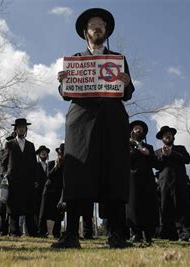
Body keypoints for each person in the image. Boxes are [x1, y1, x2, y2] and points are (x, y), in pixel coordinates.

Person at [52, 7, 135, 249]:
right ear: (85, 32)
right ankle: (70, 235)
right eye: (93, 25)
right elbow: (64, 95)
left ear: (106, 31)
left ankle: (117, 234)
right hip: (80, 124)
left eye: (101, 24)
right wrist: (63, 83)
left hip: (112, 122)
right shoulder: (75, 60)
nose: (97, 27)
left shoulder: (118, 59)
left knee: (114, 174)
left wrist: (127, 84)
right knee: (77, 176)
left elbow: (127, 94)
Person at [154, 126, 190, 242]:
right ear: (162, 138)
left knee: (182, 208)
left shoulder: (180, 149)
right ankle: (169, 235)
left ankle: (185, 234)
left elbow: (186, 159)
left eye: (169, 134)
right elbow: (155, 165)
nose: (168, 136)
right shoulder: (157, 152)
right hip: (164, 185)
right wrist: (163, 155)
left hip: (180, 183)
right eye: (165, 135)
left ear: (173, 137)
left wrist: (172, 153)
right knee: (166, 208)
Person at [1, 118, 38, 237]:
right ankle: (14, 231)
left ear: (26, 129)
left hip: (28, 180)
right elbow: (4, 162)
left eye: (23, 127)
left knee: (29, 207)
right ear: (16, 129)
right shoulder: (9, 144)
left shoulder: (31, 145)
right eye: (19, 127)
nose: (22, 129)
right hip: (13, 180)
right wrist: (5, 174)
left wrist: (35, 179)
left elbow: (34, 164)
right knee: (13, 207)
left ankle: (31, 232)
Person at [126, 120, 158, 245]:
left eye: (140, 129)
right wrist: (136, 150)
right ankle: (136, 234)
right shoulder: (127, 145)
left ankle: (148, 235)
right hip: (132, 178)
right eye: (136, 128)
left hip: (147, 179)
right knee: (133, 206)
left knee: (148, 205)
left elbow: (155, 163)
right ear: (131, 132)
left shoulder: (149, 147)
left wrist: (148, 154)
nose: (138, 130)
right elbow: (125, 160)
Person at [39, 144, 64, 238]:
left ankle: (56, 233)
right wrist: (56, 166)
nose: (60, 155)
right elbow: (49, 175)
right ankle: (42, 232)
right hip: (48, 191)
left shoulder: (65, 166)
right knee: (44, 212)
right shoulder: (50, 163)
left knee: (58, 214)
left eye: (61, 154)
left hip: (58, 192)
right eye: (59, 154)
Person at [35, 145, 51, 235]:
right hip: (37, 192)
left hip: (47, 192)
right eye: (42, 152)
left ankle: (44, 231)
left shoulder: (50, 165)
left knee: (45, 211)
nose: (44, 153)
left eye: (45, 152)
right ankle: (38, 230)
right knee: (37, 211)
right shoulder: (35, 165)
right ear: (39, 155)